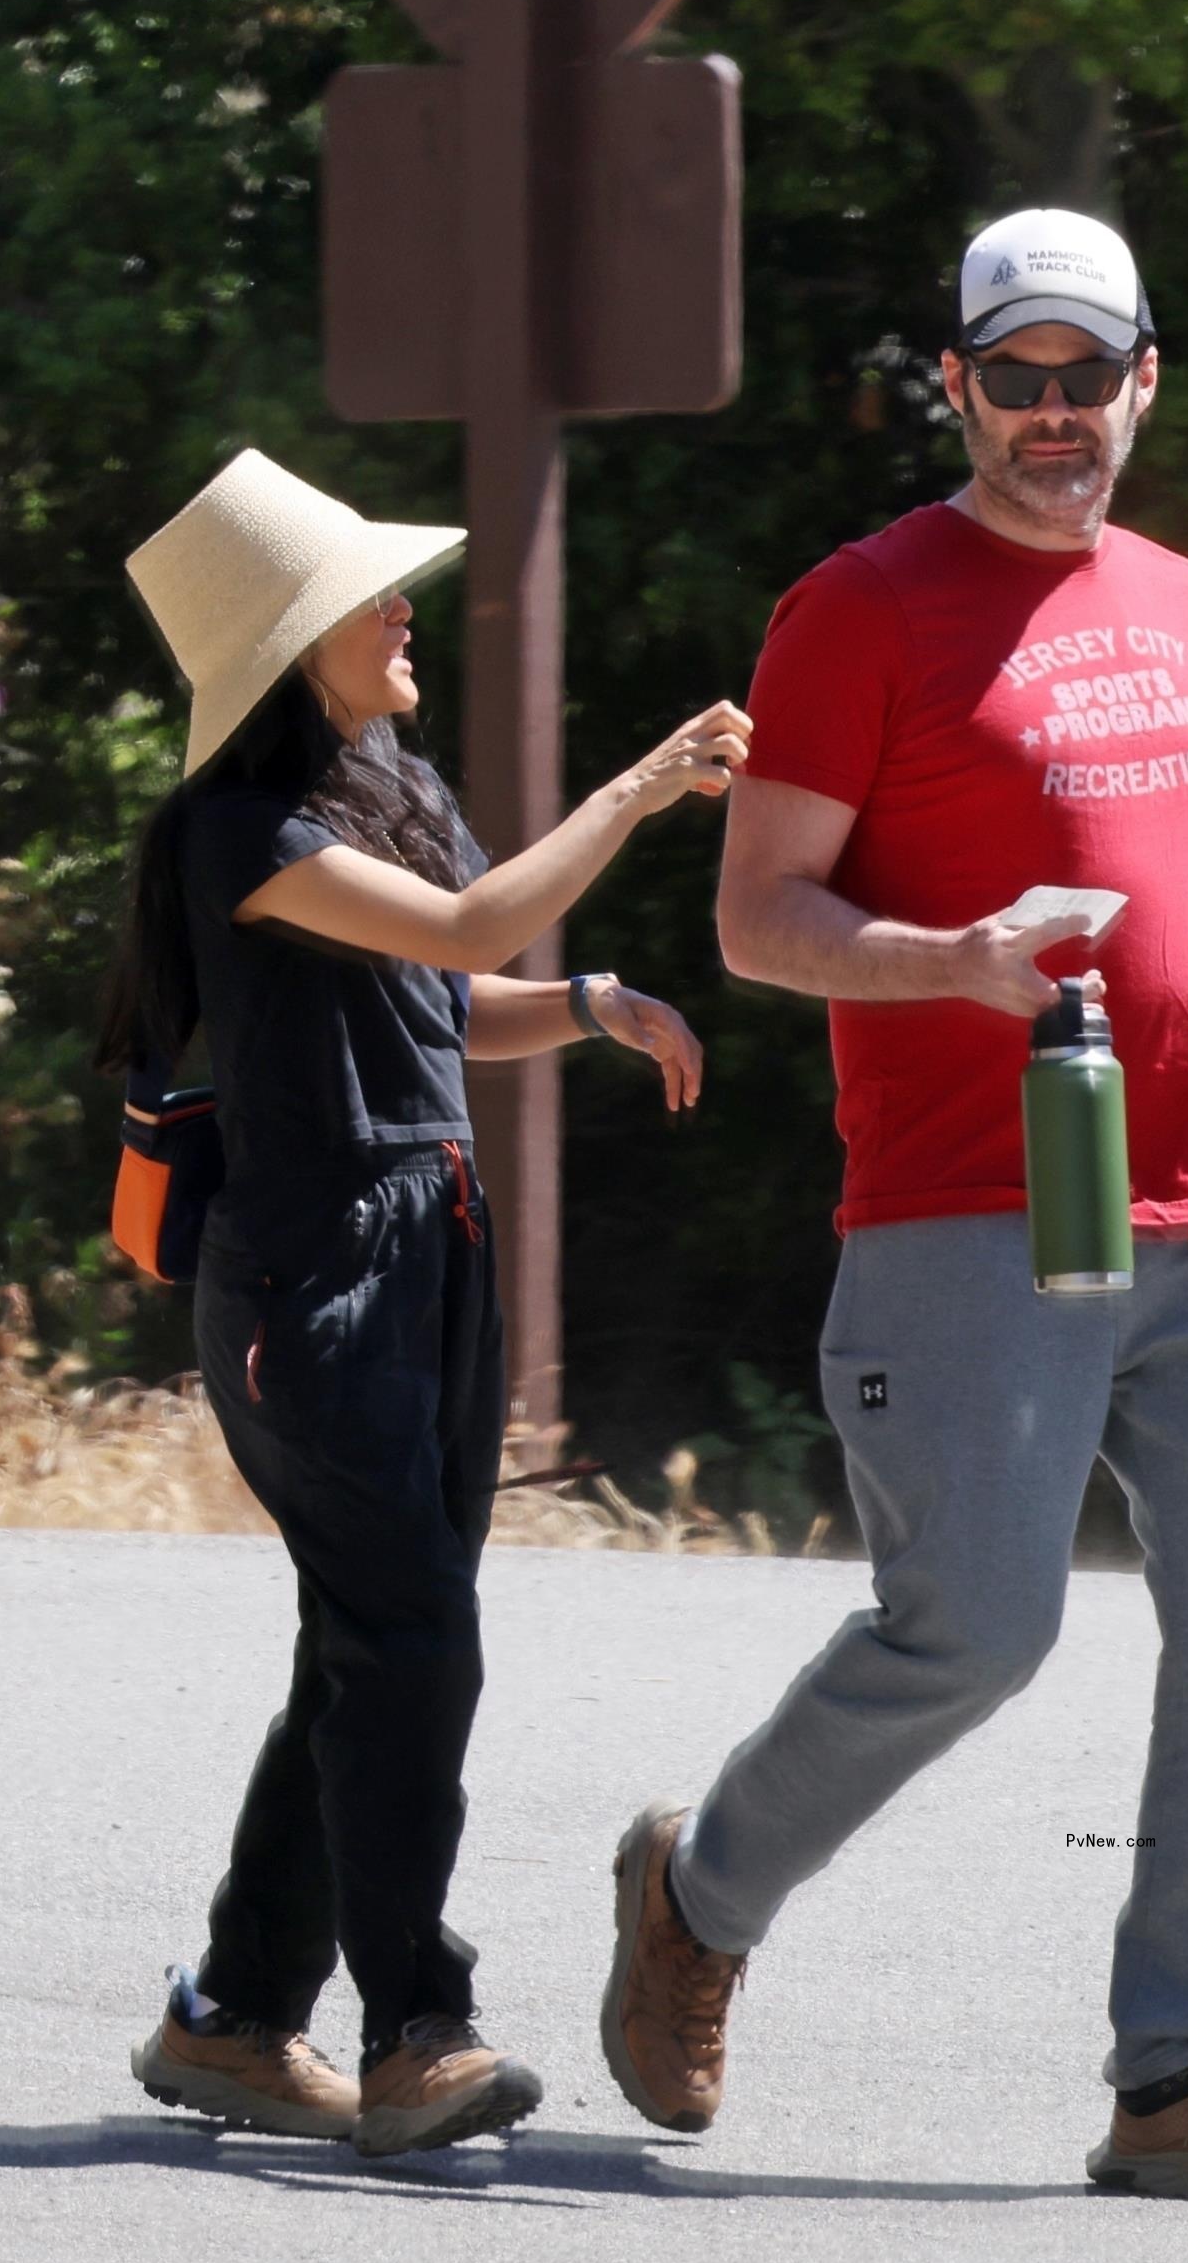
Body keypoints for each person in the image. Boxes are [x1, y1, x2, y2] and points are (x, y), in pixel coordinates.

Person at [600, 211, 1188, 2210]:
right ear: (957, 385)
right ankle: (699, 1897)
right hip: (976, 1206)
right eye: (1013, 378)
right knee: (976, 1630)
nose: (1054, 416)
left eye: (1087, 377)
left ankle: (1175, 2078)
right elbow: (760, 919)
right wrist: (947, 958)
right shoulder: (860, 611)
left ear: (1145, 381)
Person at [98, 448, 749, 2157]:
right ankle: (416, 2030)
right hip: (311, 1284)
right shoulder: (245, 830)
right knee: (411, 1642)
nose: (403, 613)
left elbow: (453, 1016)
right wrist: (644, 787)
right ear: (287, 651)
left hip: (427, 1250)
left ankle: (236, 2018)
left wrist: (590, 1003)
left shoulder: (384, 788)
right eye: (367, 599)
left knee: (367, 1644)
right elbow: (472, 930)